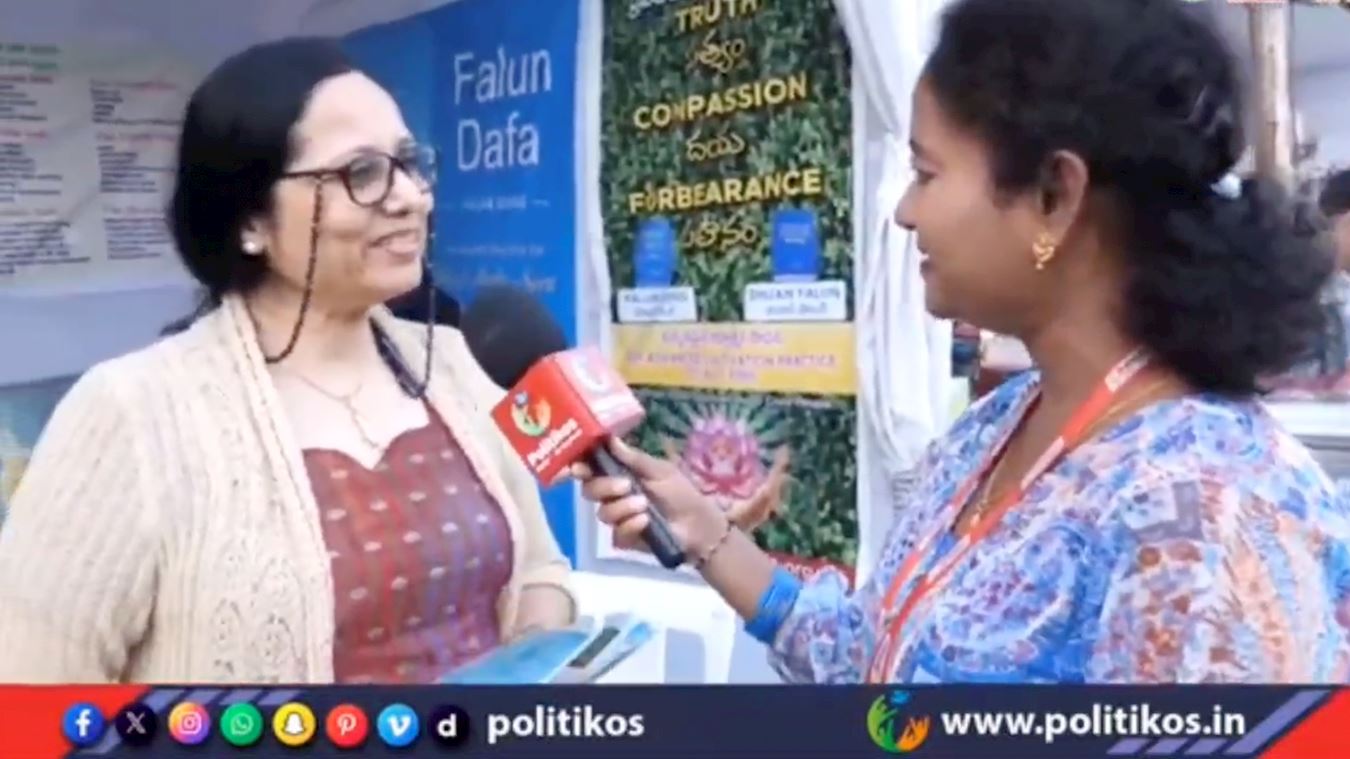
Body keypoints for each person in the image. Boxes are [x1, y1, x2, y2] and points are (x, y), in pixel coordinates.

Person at [573, 0, 1350, 684]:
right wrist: (706, 533)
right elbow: (870, 661)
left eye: (926, 172)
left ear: (1054, 195)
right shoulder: (997, 425)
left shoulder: (1209, 515)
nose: (905, 212)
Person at [0, 38, 574, 683]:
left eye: (410, 164)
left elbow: (539, 569)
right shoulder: (132, 416)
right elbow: (29, 703)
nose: (411, 197)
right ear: (251, 220)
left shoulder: (454, 364)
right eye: (362, 173)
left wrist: (533, 655)